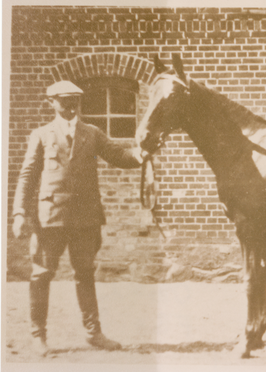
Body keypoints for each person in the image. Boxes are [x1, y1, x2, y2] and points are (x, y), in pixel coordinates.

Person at [12, 80, 144, 356]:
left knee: (85, 273)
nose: (70, 106)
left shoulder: (92, 133)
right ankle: (39, 336)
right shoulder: (41, 134)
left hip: (86, 217)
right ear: (52, 102)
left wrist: (142, 154)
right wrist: (19, 212)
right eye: (64, 100)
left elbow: (119, 155)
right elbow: (27, 176)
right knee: (41, 275)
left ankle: (93, 332)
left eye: (75, 100)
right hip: (51, 217)